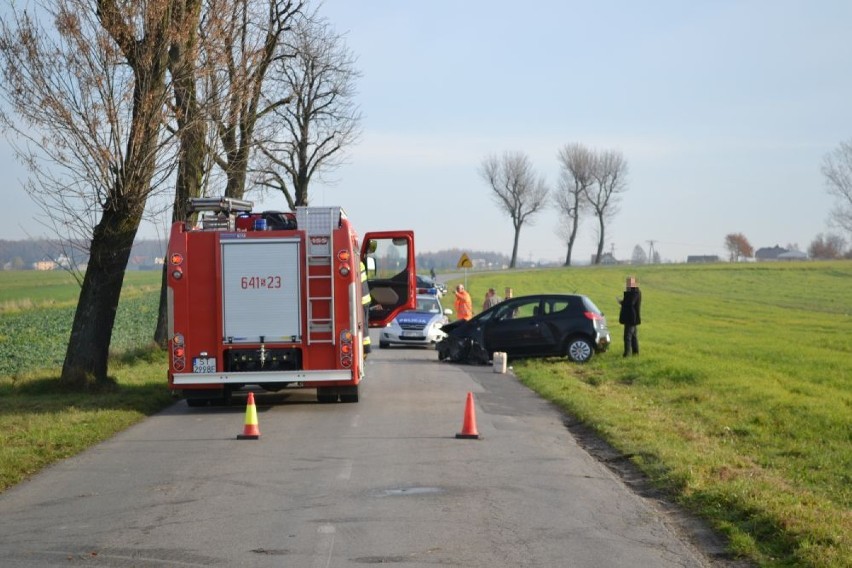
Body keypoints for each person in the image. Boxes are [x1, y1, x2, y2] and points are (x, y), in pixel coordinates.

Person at [617, 276, 642, 357]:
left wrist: (622, 303)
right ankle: (635, 353)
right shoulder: (633, 291)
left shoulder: (634, 292)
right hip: (631, 318)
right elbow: (629, 302)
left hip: (631, 318)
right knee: (633, 336)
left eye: (628, 283)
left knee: (627, 337)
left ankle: (627, 354)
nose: (626, 285)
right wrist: (622, 302)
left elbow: (631, 303)